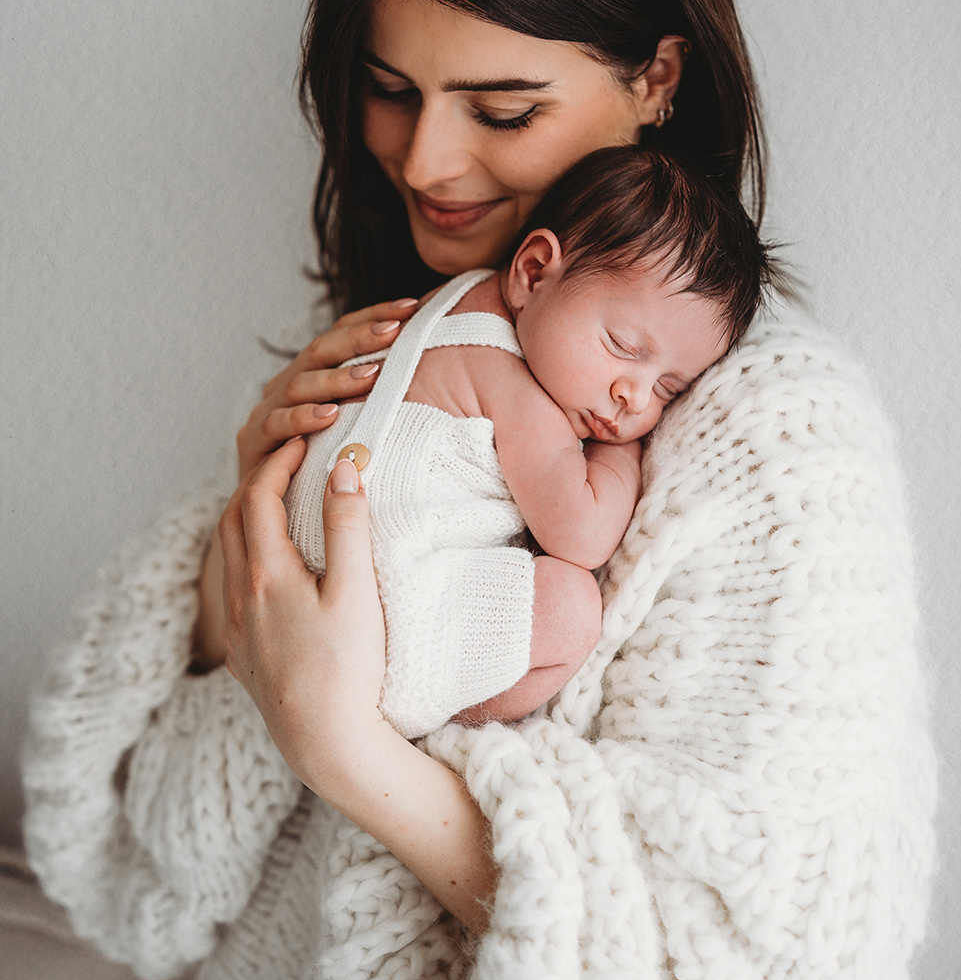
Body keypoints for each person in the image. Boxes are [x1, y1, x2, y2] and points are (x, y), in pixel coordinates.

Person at [21, 0, 935, 980]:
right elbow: (151, 871)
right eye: (389, 92)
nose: (426, 158)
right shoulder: (382, 344)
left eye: (500, 110)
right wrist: (249, 558)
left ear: (656, 81)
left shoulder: (781, 448)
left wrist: (345, 743)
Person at [278, 145, 774, 739]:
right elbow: (581, 533)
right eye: (621, 345)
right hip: (389, 618)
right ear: (534, 271)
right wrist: (620, 452)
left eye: (670, 387)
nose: (634, 399)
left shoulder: (457, 296)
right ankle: (437, 725)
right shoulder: (512, 385)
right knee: (570, 607)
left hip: (300, 583)